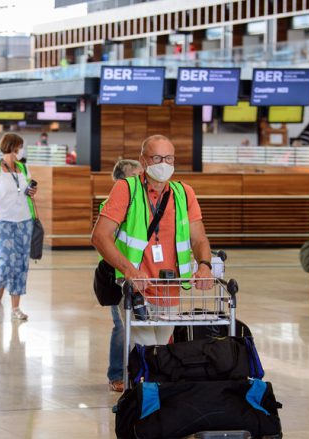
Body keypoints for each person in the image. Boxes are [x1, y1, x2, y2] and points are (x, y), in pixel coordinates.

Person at [91, 135, 214, 350]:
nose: (164, 164)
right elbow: (100, 236)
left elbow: (199, 238)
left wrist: (205, 266)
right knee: (146, 349)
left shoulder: (184, 193)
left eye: (169, 158)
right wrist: (129, 270)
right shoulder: (126, 189)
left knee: (164, 350)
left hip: (170, 288)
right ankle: (138, 381)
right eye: (157, 158)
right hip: (137, 287)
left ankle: (148, 382)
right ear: (144, 160)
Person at [0, 133, 38, 321]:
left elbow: (26, 193)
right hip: (1, 221)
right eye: (20, 146)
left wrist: (32, 191)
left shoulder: (23, 168)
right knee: (4, 262)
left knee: (20, 264)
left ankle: (15, 308)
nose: (22, 150)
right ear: (12, 147)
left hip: (24, 221)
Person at [102, 159, 144, 392]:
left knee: (144, 325)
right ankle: (116, 374)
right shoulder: (111, 206)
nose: (141, 179)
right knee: (121, 325)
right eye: (135, 176)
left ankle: (142, 371)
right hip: (120, 276)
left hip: (144, 275)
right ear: (122, 181)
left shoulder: (145, 204)